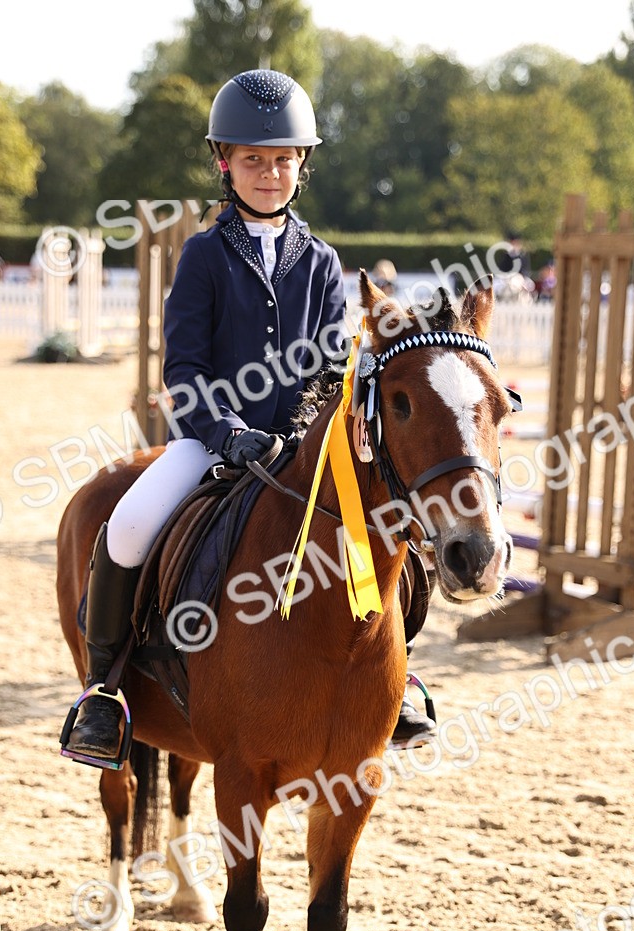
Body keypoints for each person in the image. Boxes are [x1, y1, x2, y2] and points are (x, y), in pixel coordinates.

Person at [65, 68, 436, 766]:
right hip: (211, 445)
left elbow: (332, 366)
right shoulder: (204, 256)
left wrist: (310, 435)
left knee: (397, 537)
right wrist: (229, 433)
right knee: (129, 525)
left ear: (302, 165)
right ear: (223, 162)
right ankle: (104, 692)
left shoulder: (323, 262)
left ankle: (400, 674)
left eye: (283, 160)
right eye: (253, 159)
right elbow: (185, 371)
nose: (269, 173)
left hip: (302, 451)